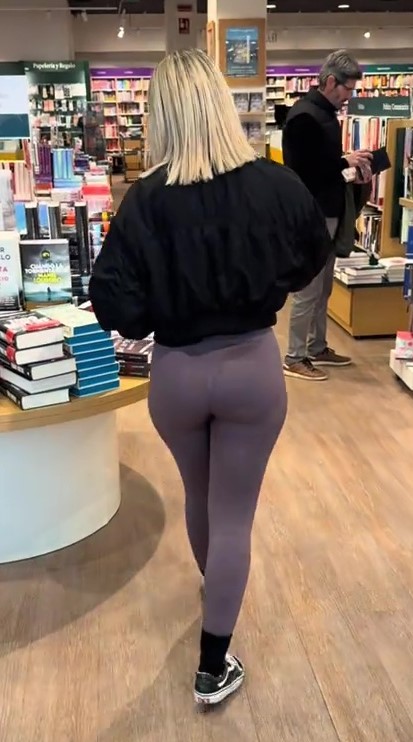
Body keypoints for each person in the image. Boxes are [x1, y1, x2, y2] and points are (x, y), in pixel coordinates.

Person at [89, 49, 332, 707]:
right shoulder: (275, 184)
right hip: (250, 365)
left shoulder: (145, 200)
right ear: (223, 106)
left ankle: (213, 589)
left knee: (198, 496)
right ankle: (212, 664)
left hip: (176, 373)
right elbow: (313, 254)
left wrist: (158, 312)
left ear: (162, 115)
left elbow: (112, 299)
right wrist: (267, 288)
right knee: (234, 516)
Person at [282, 49, 373, 381]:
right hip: (312, 215)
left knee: (323, 289)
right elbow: (303, 172)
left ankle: (317, 346)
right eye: (347, 89)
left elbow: (324, 166)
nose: (349, 96)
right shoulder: (304, 116)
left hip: (329, 210)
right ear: (331, 81)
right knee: (308, 289)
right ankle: (294, 356)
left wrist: (349, 168)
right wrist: (343, 162)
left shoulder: (323, 114)